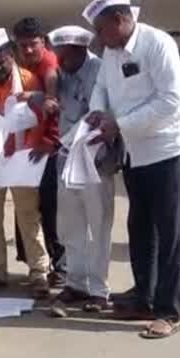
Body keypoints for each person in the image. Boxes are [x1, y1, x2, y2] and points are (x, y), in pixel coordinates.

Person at [85, 0, 180, 339]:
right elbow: (101, 86)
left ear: (120, 20)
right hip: (133, 153)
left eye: (101, 30)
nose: (98, 39)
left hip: (165, 150)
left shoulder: (157, 44)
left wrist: (121, 124)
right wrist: (99, 111)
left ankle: (169, 310)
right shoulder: (112, 51)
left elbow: (171, 102)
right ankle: (144, 295)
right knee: (140, 228)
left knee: (169, 232)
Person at [0, 28, 51, 298]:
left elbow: (40, 117)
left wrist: (30, 147)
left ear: (10, 57)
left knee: (28, 216)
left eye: (2, 62)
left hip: (21, 157)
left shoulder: (29, 80)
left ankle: (39, 272)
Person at [44, 26, 117, 316]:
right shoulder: (59, 73)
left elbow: (102, 113)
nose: (61, 61)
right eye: (58, 54)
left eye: (66, 55)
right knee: (70, 224)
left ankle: (99, 290)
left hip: (95, 159)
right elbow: (48, 83)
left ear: (81, 50)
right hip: (66, 159)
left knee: (98, 225)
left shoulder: (101, 71)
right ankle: (75, 283)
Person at [12, 17, 65, 287]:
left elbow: (54, 103)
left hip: (48, 151)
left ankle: (61, 268)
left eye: (33, 44)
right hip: (29, 151)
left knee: (52, 210)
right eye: (23, 46)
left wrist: (50, 141)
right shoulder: (22, 66)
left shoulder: (49, 65)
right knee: (32, 210)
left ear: (42, 42)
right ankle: (39, 267)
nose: (29, 50)